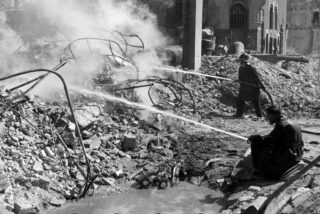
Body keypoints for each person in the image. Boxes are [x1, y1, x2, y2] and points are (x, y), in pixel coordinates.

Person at [248, 105, 304, 180]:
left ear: (273, 115)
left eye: (267, 115)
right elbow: (273, 136)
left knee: (257, 144)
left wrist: (254, 138)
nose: (266, 117)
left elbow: (269, 140)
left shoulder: (281, 124)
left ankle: (263, 171)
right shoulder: (288, 121)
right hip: (297, 153)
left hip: (289, 157)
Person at [235, 53, 265, 117]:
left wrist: (262, 86)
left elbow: (256, 77)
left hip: (253, 87)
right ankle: (239, 114)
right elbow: (240, 78)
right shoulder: (241, 68)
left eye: (243, 60)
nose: (241, 61)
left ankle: (259, 116)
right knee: (240, 100)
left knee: (255, 102)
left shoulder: (250, 67)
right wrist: (239, 81)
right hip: (244, 87)